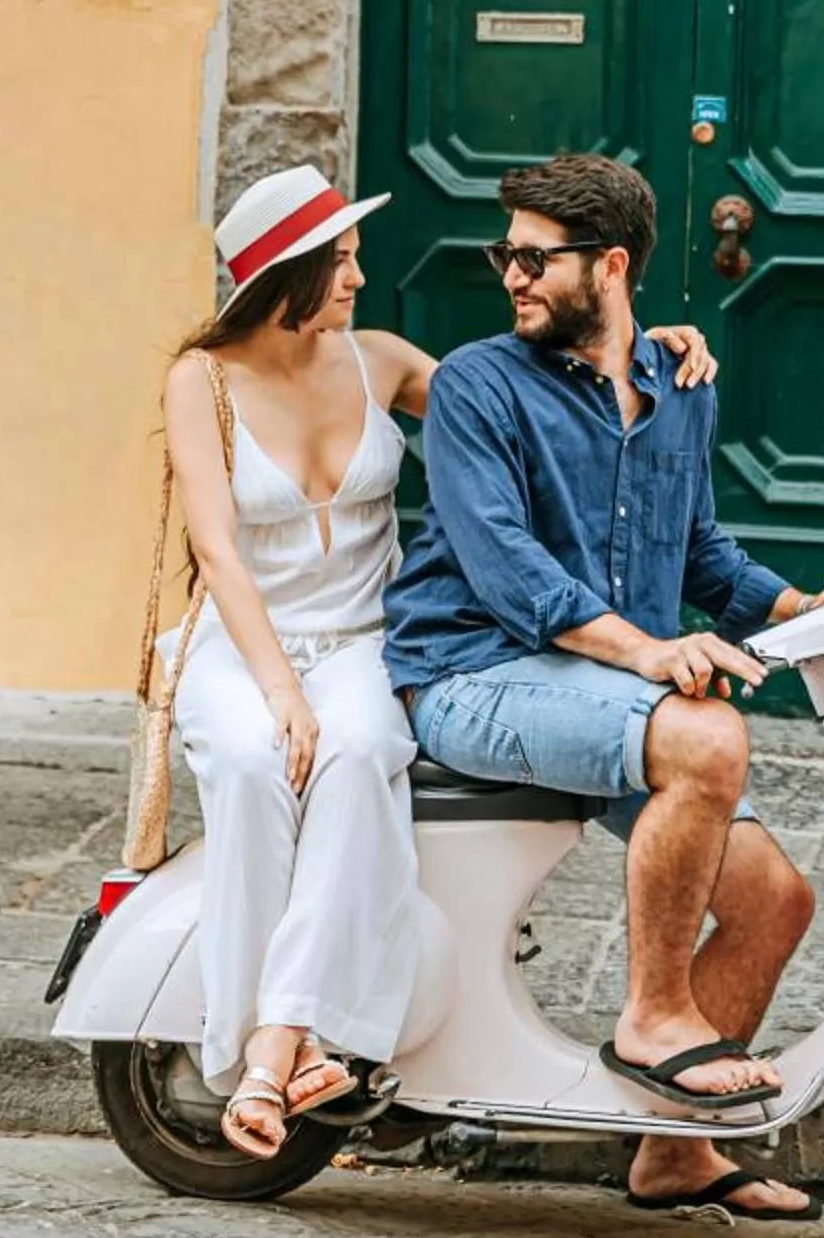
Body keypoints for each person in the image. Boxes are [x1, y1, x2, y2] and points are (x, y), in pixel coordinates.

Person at [166, 163, 718, 1159]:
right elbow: (216, 554)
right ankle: (248, 1039)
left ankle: (289, 1044)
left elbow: (526, 388)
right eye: (340, 260)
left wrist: (650, 347)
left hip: (363, 640)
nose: (359, 276)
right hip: (247, 642)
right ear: (282, 274)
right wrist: (280, 693)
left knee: (360, 754)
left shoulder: (376, 359)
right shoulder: (201, 382)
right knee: (253, 765)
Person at [380, 154, 824, 1222]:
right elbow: (507, 565)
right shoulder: (478, 383)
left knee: (777, 901)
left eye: (531, 256)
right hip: (473, 672)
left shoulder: (675, 387)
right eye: (501, 253)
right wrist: (651, 654)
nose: (509, 274)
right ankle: (655, 1015)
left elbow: (700, 554)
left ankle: (674, 1153)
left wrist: (812, 606)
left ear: (608, 265)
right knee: (705, 737)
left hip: (596, 687)